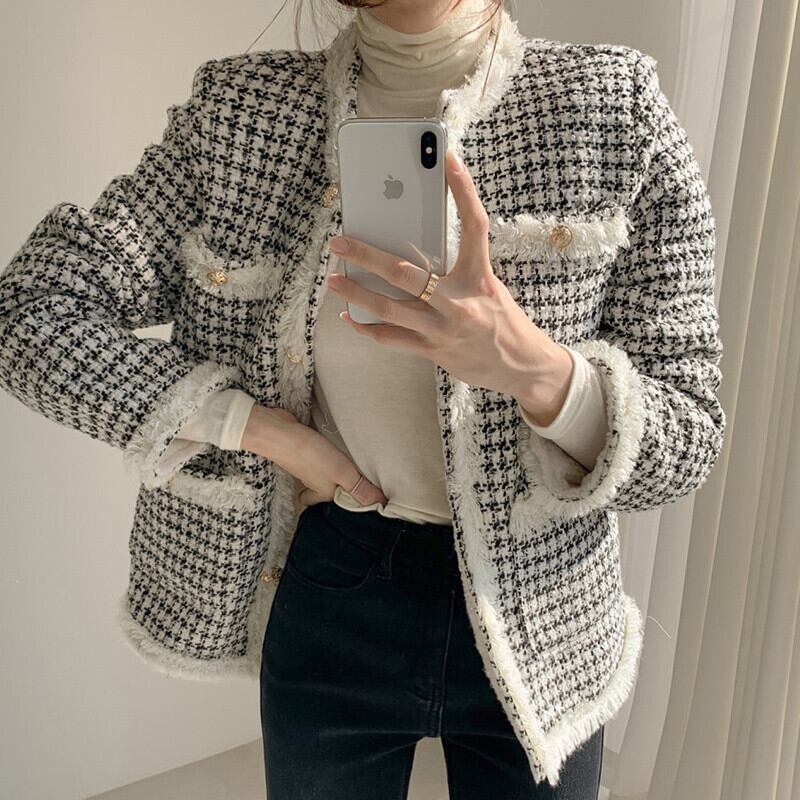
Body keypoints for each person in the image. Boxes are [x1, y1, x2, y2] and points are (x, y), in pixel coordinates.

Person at [0, 0, 726, 798]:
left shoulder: (612, 108)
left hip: (547, 614)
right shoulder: (239, 118)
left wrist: (540, 372)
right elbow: (30, 311)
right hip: (334, 583)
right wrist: (265, 431)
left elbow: (688, 433)